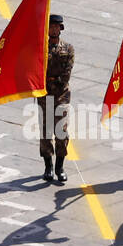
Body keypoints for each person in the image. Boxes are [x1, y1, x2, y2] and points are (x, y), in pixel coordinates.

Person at [41, 14, 74, 184]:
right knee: (46, 133)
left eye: (56, 27)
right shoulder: (40, 48)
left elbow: (66, 74)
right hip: (44, 94)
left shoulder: (67, 49)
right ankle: (48, 166)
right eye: (51, 26)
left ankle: (60, 166)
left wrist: (51, 81)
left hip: (61, 94)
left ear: (60, 29)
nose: (53, 29)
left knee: (61, 131)